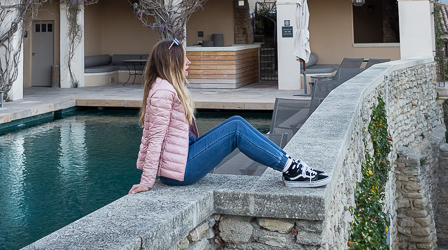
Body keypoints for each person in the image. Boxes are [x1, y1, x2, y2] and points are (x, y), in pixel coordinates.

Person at [128, 38, 329, 194]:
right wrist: (147, 181)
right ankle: (291, 168)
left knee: (236, 122)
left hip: (181, 161)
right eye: (184, 58)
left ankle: (290, 165)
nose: (188, 62)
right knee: (236, 129)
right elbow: (154, 140)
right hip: (180, 172)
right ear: (173, 62)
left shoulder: (165, 88)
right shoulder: (163, 92)